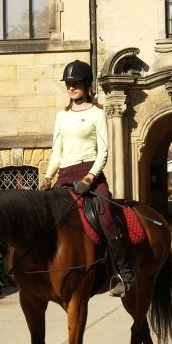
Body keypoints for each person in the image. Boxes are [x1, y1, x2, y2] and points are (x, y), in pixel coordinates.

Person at [40, 59, 133, 297]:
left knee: (106, 218)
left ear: (87, 85)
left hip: (89, 173)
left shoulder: (97, 114)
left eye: (76, 83)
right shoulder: (62, 116)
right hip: (64, 174)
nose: (71, 87)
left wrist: (90, 178)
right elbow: (56, 151)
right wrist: (48, 177)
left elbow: (104, 151)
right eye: (69, 83)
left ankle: (123, 274)